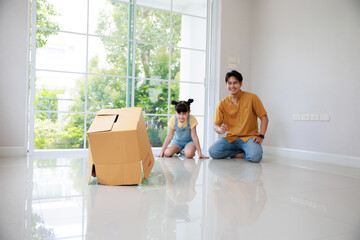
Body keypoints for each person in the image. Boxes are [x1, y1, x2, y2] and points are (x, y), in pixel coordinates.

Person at [209, 70, 269, 162]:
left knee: (255, 157)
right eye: (229, 83)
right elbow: (216, 125)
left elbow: (264, 117)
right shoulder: (221, 103)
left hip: (249, 138)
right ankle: (240, 154)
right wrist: (220, 129)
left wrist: (261, 135)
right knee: (213, 152)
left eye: (235, 83)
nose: (232, 86)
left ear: (241, 84)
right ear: (226, 85)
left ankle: (246, 150)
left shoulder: (252, 98)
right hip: (230, 138)